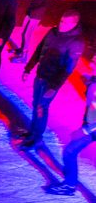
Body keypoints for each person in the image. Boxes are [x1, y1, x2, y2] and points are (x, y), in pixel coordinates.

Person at [19, 9, 85, 150]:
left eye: (65, 23)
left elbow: (68, 68)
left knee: (41, 107)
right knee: (36, 104)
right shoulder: (53, 32)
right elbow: (40, 50)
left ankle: (37, 138)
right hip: (40, 75)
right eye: (61, 21)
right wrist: (28, 68)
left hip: (51, 81)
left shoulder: (76, 42)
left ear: (74, 24)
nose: (61, 25)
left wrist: (53, 87)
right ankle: (32, 132)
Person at [46, 56, 96, 199]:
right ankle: (69, 185)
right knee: (69, 151)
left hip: (91, 128)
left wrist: (86, 129)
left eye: (95, 61)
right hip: (90, 127)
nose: (91, 62)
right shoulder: (93, 81)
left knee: (70, 151)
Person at [10, 0, 56, 64]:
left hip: (36, 16)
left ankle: (24, 57)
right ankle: (21, 49)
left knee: (27, 35)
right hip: (30, 13)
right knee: (23, 32)